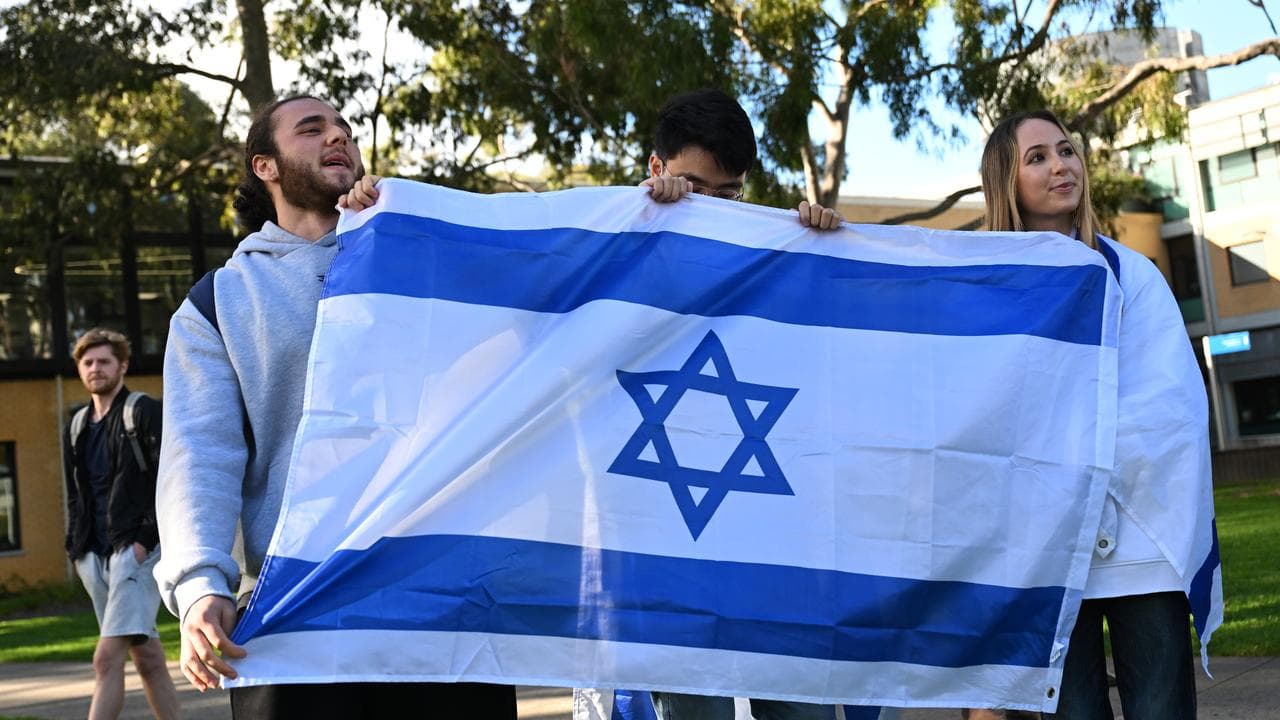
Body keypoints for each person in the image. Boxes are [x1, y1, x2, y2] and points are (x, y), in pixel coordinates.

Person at [154, 95, 517, 719]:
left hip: (440, 598)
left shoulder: (426, 263)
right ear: (265, 166)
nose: (338, 137)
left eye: (345, 128)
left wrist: (661, 217)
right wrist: (200, 586)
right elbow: (199, 453)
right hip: (296, 607)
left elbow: (548, 286)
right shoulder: (217, 304)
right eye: (312, 129)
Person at [970, 109, 1214, 720]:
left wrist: (1072, 457)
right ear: (1006, 181)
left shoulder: (1137, 277)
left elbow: (1171, 409)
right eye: (1037, 158)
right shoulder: (985, 287)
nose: (1061, 165)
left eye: (1066, 150)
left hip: (1143, 544)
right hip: (1046, 553)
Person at [64, 328, 179, 720]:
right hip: (93, 556)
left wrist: (146, 541)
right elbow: (75, 494)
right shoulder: (77, 425)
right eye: (88, 362)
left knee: (105, 659)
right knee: (148, 657)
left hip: (136, 550)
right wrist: (76, 549)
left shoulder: (142, 412)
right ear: (79, 368)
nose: (95, 368)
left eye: (104, 361)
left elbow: (171, 479)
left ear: (123, 366)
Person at [640, 88, 842, 230]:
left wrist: (808, 242)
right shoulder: (628, 229)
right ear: (657, 169)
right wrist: (638, 208)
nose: (710, 209)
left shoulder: (756, 247)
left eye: (726, 196)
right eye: (692, 190)